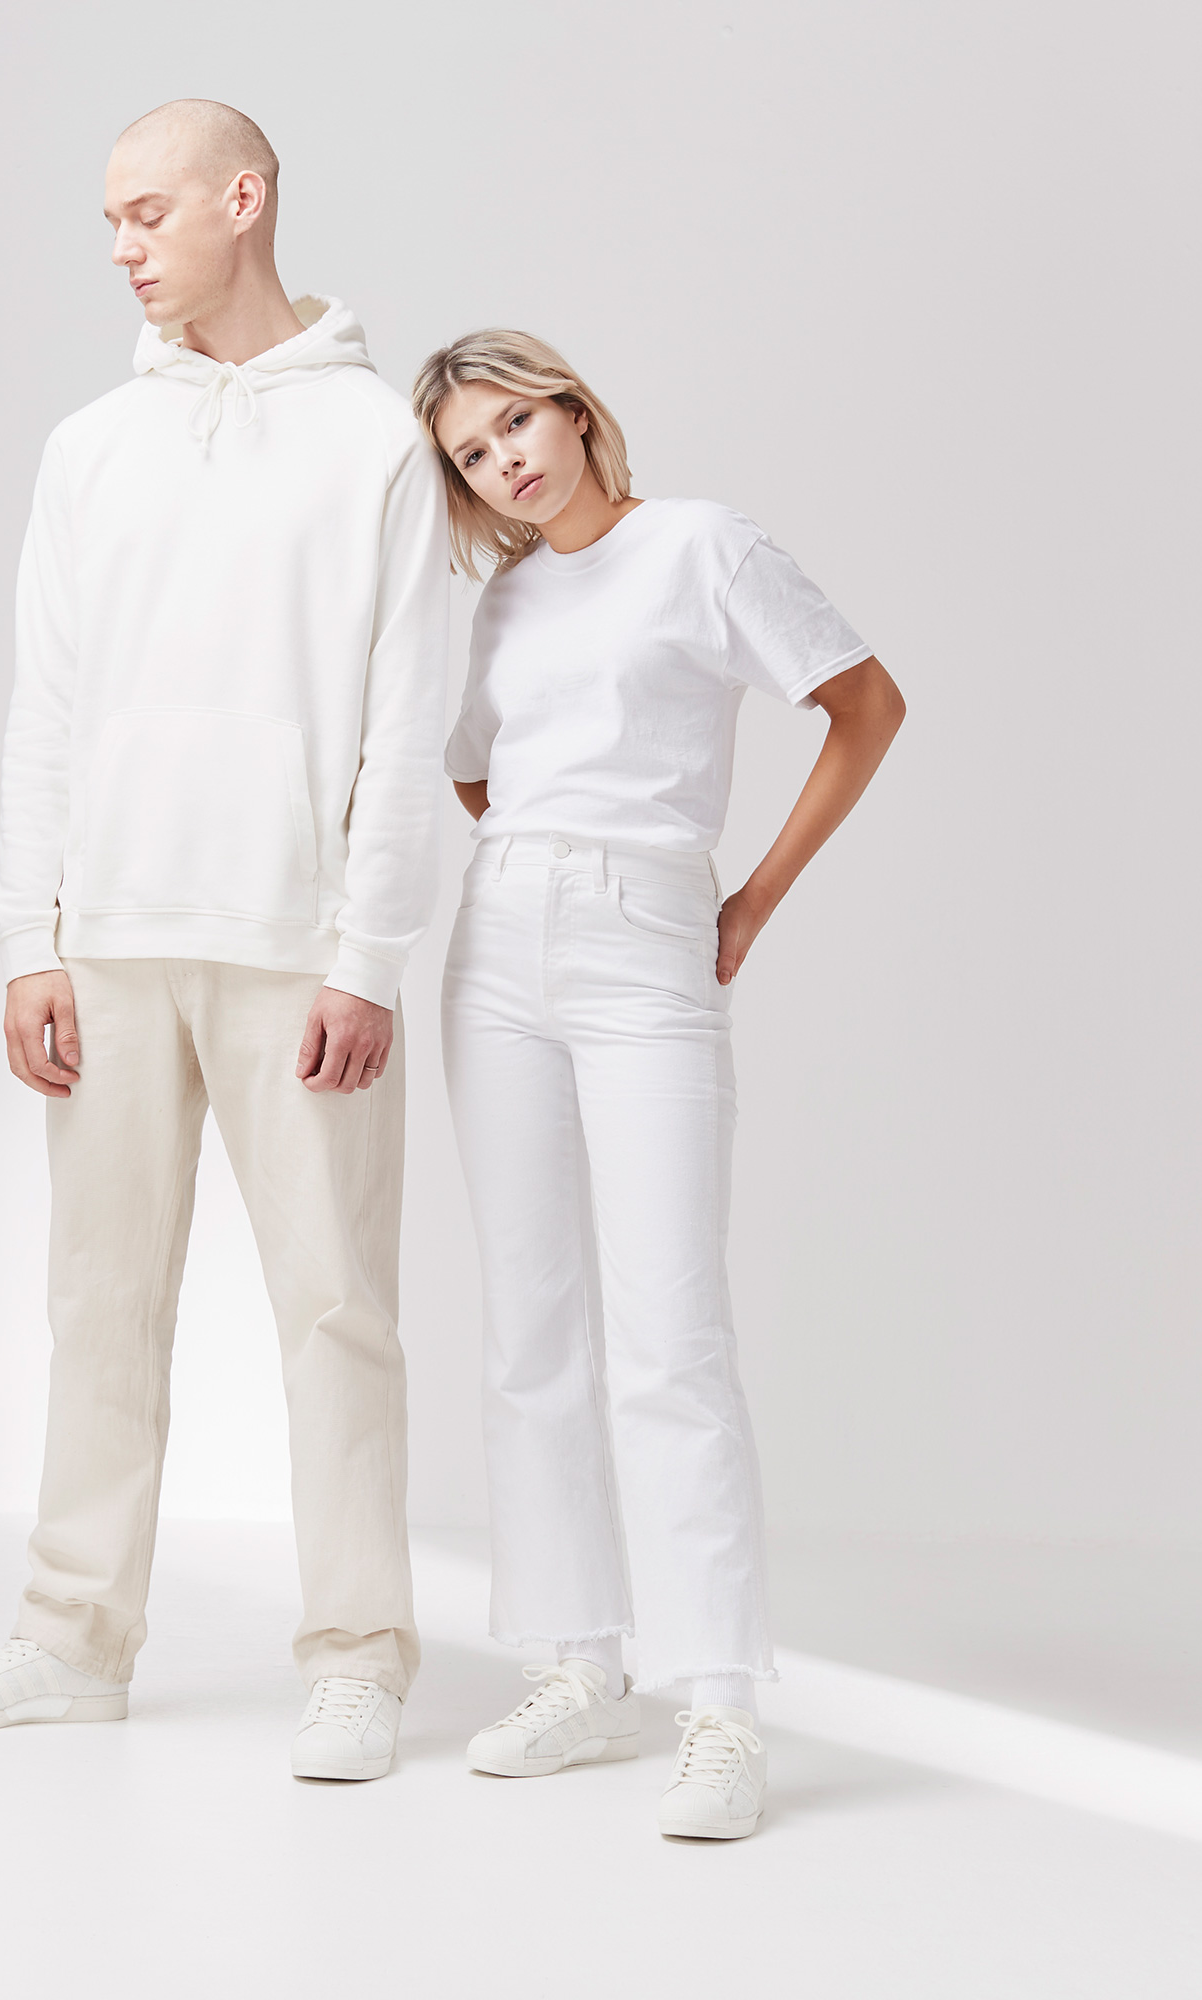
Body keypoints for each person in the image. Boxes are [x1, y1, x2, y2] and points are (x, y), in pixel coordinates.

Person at [0, 101, 451, 1784]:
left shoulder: (376, 441)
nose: (125, 246)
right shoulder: (91, 446)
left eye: (149, 212)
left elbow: (408, 719)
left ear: (245, 198)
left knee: (337, 1309)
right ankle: (72, 1641)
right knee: (99, 1303)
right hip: (114, 937)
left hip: (298, 944)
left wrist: (370, 957)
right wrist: (31, 936)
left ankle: (358, 1659)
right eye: (111, 222)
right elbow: (45, 705)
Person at [411, 330, 905, 1839]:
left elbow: (867, 705)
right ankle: (577, 1664)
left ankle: (719, 1707)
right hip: (499, 944)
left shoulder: (700, 547)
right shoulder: (507, 601)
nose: (504, 462)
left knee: (669, 1338)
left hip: (646, 945)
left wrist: (747, 900)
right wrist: (542, 862)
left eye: (514, 424)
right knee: (530, 1329)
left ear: (572, 409)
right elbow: (477, 766)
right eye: (473, 455)